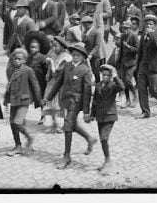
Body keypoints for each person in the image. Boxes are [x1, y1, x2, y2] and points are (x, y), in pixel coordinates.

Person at [44, 42, 97, 170]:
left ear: (83, 57)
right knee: (72, 125)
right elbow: (58, 83)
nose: (75, 57)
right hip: (65, 100)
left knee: (67, 126)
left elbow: (87, 91)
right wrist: (49, 98)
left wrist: (86, 111)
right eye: (73, 55)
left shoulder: (85, 70)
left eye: (78, 55)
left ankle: (66, 156)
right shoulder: (67, 66)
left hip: (76, 102)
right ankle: (89, 138)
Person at [86, 63, 125, 175]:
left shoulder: (113, 86)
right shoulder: (98, 85)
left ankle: (108, 161)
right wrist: (91, 115)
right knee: (103, 140)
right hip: (100, 117)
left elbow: (122, 87)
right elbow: (94, 102)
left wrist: (115, 75)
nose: (105, 77)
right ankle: (106, 160)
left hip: (110, 116)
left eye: (108, 75)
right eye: (104, 75)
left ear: (111, 76)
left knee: (104, 138)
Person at [3, 48, 42, 156]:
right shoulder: (11, 71)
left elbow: (35, 85)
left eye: (19, 59)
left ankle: (29, 138)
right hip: (14, 100)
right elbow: (9, 86)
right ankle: (18, 145)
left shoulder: (28, 70)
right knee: (12, 123)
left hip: (24, 101)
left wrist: (39, 101)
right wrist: (6, 101)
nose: (16, 61)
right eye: (15, 59)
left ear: (24, 60)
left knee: (17, 122)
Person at [134, 14, 157, 118]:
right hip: (142, 67)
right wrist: (138, 65)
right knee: (141, 90)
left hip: (152, 68)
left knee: (154, 90)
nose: (148, 26)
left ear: (154, 26)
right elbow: (140, 52)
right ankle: (145, 112)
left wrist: (151, 34)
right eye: (147, 24)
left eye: (150, 24)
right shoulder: (142, 37)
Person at [43, 35, 71, 133]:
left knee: (60, 104)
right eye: (53, 46)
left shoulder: (66, 57)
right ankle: (52, 123)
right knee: (49, 103)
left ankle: (63, 124)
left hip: (61, 84)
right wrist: (48, 74)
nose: (54, 48)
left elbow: (62, 72)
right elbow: (49, 69)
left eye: (56, 46)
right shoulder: (52, 54)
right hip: (52, 82)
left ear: (62, 47)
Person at [24, 30, 50, 125]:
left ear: (39, 48)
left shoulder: (43, 58)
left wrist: (47, 80)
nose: (32, 49)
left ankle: (43, 116)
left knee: (41, 100)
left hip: (41, 82)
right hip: (31, 82)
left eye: (34, 47)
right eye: (31, 47)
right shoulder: (28, 58)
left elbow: (47, 70)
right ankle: (22, 115)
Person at [113, 19, 138, 108]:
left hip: (131, 62)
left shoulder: (134, 36)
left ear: (130, 28)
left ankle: (135, 96)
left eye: (127, 28)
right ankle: (127, 100)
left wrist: (128, 46)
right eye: (124, 28)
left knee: (127, 80)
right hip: (123, 62)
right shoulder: (123, 36)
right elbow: (121, 49)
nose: (125, 30)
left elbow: (137, 49)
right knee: (124, 82)